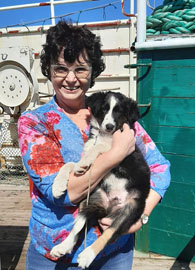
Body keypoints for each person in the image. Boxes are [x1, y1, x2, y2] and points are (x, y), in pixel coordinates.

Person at [18, 20, 171, 270]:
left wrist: (139, 216)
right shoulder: (34, 123)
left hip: (113, 251)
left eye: (80, 69)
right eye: (60, 69)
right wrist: (116, 154)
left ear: (92, 72)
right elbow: (64, 193)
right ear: (48, 70)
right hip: (55, 256)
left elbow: (161, 168)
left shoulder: (114, 113)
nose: (70, 79)